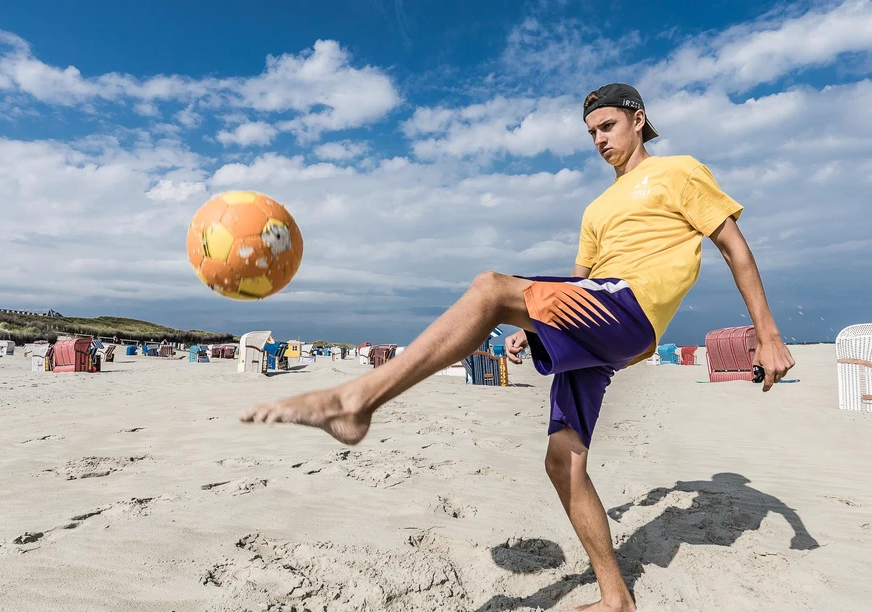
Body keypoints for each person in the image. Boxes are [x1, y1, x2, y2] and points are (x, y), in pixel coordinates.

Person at [242, 83, 795, 612]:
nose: (600, 139)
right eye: (591, 133)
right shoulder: (596, 210)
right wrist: (525, 325)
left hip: (632, 308)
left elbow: (733, 247)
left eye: (608, 125)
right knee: (562, 462)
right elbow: (577, 281)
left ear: (638, 119)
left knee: (488, 286)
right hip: (597, 311)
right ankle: (615, 598)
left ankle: (356, 401)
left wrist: (767, 336)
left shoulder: (679, 171)